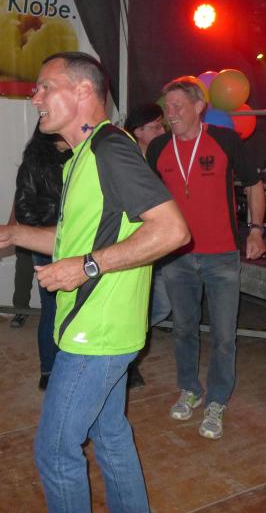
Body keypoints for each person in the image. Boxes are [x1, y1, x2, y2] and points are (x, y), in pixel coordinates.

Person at [0, 51, 189, 512]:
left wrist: (87, 266)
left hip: (98, 332)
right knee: (109, 433)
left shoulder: (111, 148)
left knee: (55, 452)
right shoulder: (80, 158)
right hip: (93, 327)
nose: (35, 98)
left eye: (44, 87)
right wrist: (15, 233)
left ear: (83, 90)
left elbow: (172, 230)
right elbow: (72, 240)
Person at [146, 77, 266, 440]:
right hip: (176, 256)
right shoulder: (159, 147)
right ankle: (189, 388)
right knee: (183, 328)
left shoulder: (226, 140)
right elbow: (148, 198)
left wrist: (256, 230)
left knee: (224, 335)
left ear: (199, 107)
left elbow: (254, 184)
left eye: (178, 106)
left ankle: (216, 400)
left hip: (221, 256)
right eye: (167, 108)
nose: (171, 114)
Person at [13, 124, 72, 391]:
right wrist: (45, 235)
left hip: (78, 244)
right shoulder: (34, 162)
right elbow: (23, 208)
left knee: (74, 307)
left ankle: (68, 366)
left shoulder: (81, 156)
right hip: (48, 245)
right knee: (51, 308)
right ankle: (48, 370)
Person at [123, 102, 171, 388]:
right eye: (155, 126)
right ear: (138, 131)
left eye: (162, 125)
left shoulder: (164, 157)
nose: (162, 131)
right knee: (138, 306)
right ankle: (127, 362)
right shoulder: (126, 161)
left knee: (162, 305)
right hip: (132, 245)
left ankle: (126, 352)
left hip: (159, 245)